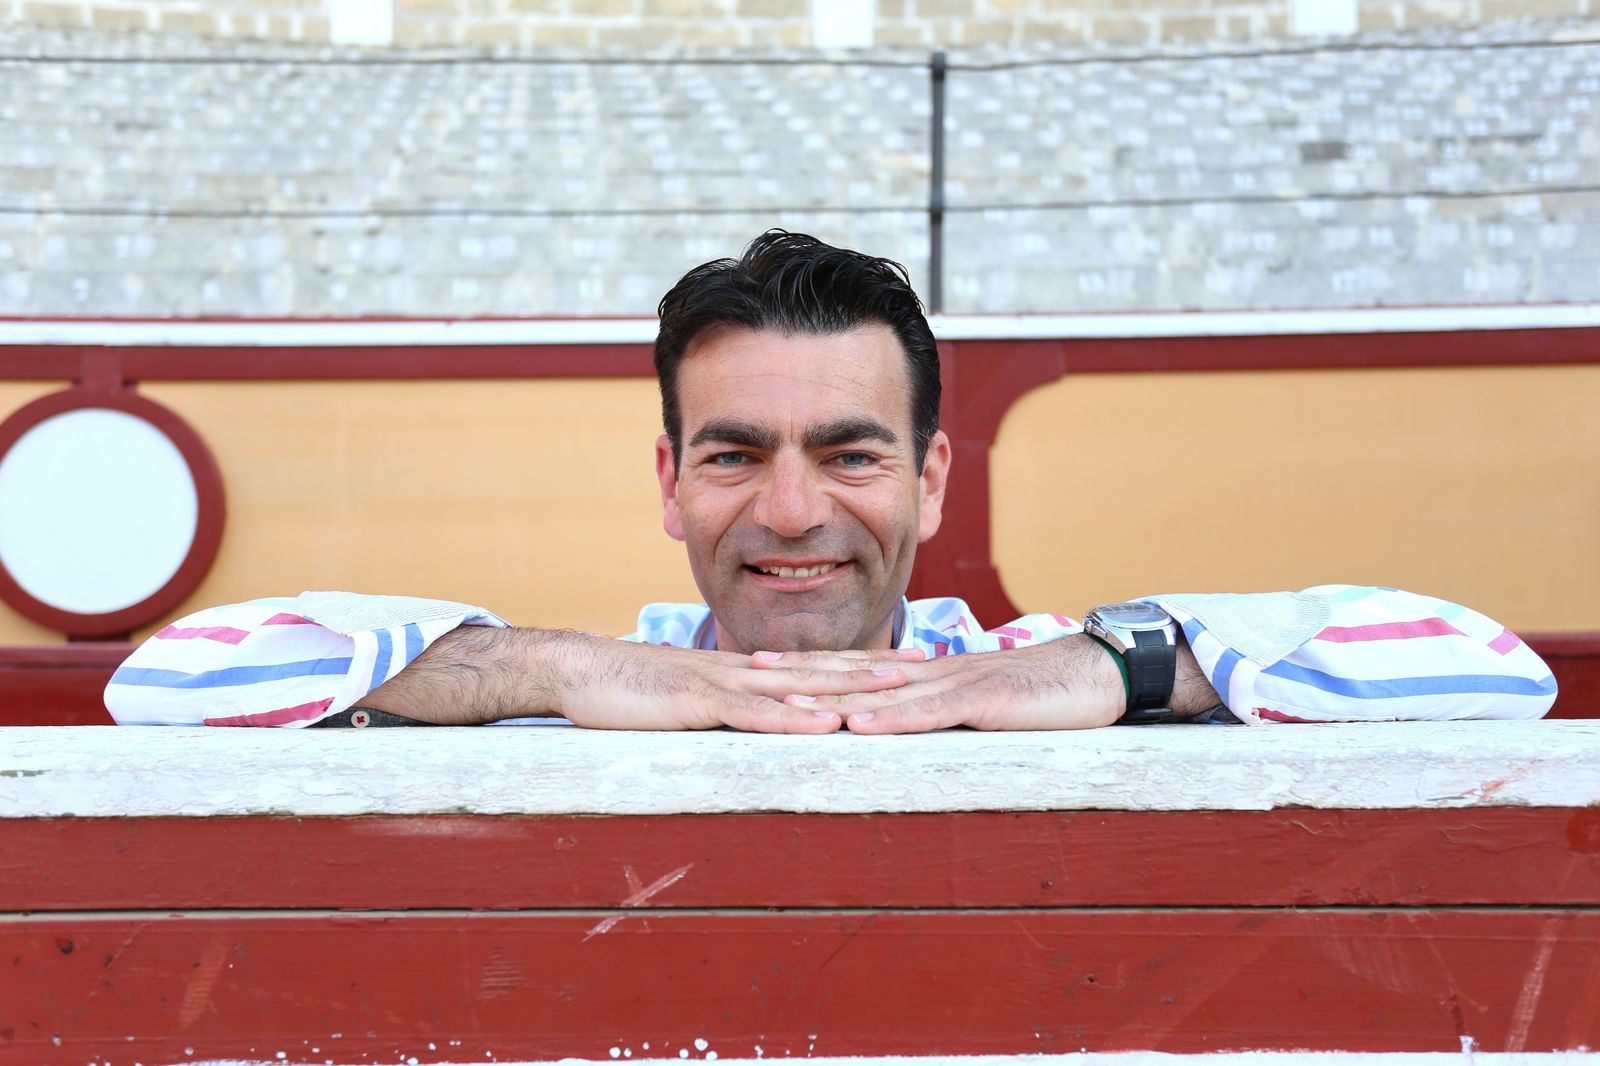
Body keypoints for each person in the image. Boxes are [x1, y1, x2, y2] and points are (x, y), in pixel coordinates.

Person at [105, 231, 1557, 732]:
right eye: (735, 454)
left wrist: (1127, 663)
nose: (792, 512)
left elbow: (1501, 673)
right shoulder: (593, 681)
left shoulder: (1029, 667)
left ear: (931, 476)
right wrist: (549, 666)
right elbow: (162, 679)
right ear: (669, 481)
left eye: (850, 453)